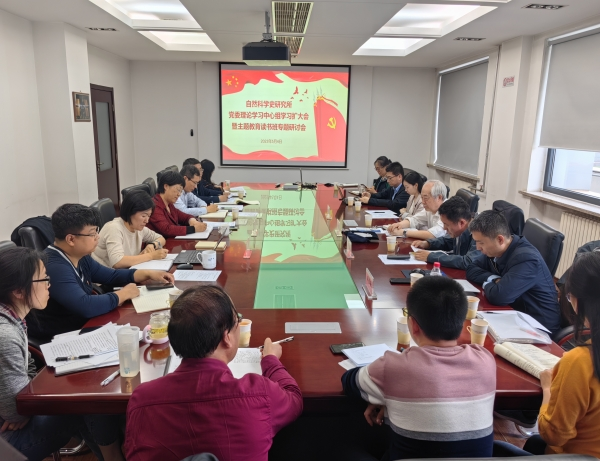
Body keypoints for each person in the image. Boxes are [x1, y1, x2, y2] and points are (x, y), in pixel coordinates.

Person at [125, 285, 303, 461]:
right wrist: (270, 360)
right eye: (237, 321)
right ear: (226, 337)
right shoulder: (259, 393)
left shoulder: (141, 400)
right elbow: (294, 399)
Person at [341, 277, 496, 459]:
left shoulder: (392, 367)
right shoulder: (485, 360)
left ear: (413, 325)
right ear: (462, 323)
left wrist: (385, 396)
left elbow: (349, 381)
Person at [0, 247, 125, 461]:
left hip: (16, 414)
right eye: (43, 279)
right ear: (18, 291)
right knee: (86, 403)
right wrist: (24, 409)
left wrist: (26, 402)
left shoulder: (13, 316)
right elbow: (15, 412)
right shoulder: (6, 335)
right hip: (7, 441)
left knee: (85, 397)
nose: (49, 285)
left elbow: (29, 365)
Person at [494, 251, 600, 457]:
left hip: (576, 456)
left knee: (496, 449)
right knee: (534, 443)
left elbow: (554, 435)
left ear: (578, 300)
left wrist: (548, 389)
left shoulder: (581, 361)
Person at [27, 204, 174, 340]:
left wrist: (147, 273)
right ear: (71, 239)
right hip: (61, 337)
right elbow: (85, 305)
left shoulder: (79, 256)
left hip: (84, 326)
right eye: (92, 234)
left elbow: (111, 275)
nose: (97, 237)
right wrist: (123, 294)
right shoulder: (53, 266)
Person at [466, 210, 561, 334]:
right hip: (514, 315)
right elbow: (471, 269)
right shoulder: (495, 250)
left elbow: (498, 296)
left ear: (500, 239)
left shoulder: (527, 259)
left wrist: (489, 284)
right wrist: (494, 279)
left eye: (481, 243)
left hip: (538, 327)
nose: (478, 248)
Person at [93, 190, 167, 268]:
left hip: (127, 270)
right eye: (143, 216)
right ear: (130, 212)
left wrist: (152, 245)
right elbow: (117, 262)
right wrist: (151, 256)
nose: (147, 220)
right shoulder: (114, 228)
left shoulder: (137, 227)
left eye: (149, 216)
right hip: (105, 274)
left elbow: (161, 238)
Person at [411, 196, 480, 269]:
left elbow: (468, 262)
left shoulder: (480, 234)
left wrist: (431, 257)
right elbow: (447, 241)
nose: (444, 228)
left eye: (446, 224)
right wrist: (428, 244)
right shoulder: (461, 229)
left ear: (461, 223)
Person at [147, 171, 207, 239]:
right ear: (166, 186)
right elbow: (166, 229)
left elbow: (183, 216)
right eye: (178, 190)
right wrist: (193, 229)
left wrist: (192, 220)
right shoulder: (155, 205)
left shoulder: (169, 204)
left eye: (181, 191)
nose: (179, 194)